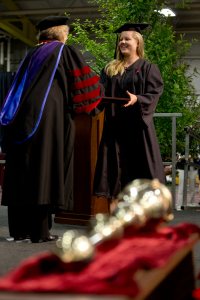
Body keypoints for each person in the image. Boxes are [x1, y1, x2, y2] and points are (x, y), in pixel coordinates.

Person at [0, 16, 103, 242]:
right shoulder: (63, 51)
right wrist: (100, 93)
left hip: (21, 120)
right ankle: (40, 232)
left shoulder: (31, 54)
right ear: (61, 33)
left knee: (23, 173)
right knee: (44, 170)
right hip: (49, 119)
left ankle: (19, 231)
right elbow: (86, 85)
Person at [93, 23, 165, 213]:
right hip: (114, 130)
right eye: (121, 39)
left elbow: (154, 93)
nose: (123, 42)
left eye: (127, 39)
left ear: (137, 42)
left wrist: (137, 99)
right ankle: (116, 222)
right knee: (114, 177)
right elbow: (99, 93)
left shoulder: (148, 68)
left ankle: (142, 224)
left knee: (141, 176)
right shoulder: (110, 69)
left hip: (138, 132)